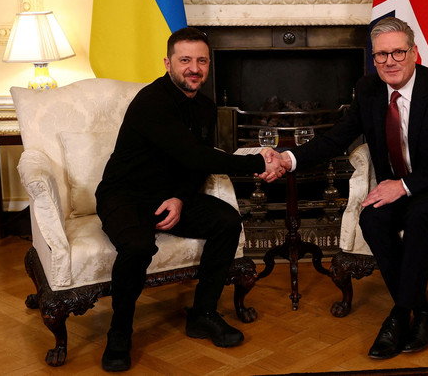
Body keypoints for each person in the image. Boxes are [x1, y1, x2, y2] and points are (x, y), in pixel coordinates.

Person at [269, 17, 428, 359]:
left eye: (398, 52)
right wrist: (288, 159)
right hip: (403, 184)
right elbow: (336, 138)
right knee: (372, 219)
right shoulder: (368, 90)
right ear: (374, 59)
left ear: (414, 53)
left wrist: (403, 186)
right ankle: (424, 313)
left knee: (418, 216)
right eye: (381, 55)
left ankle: (399, 315)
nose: (390, 62)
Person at [95, 27, 285, 372]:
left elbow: (193, 166)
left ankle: (203, 314)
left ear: (209, 65)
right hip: (124, 195)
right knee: (137, 247)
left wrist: (180, 198)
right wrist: (260, 161)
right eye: (185, 60)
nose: (193, 68)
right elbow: (198, 157)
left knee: (226, 221)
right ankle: (119, 332)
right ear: (168, 63)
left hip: (168, 197)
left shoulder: (205, 107)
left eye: (201, 60)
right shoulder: (152, 102)